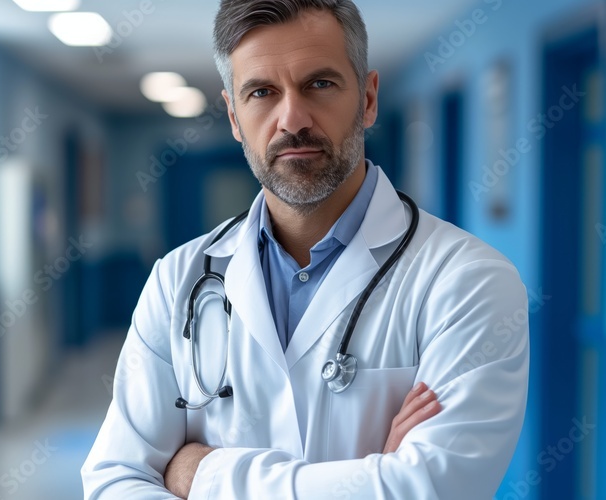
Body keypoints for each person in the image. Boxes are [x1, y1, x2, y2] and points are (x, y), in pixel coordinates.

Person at [82, 0, 529, 498]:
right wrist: (375, 475)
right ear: (234, 116)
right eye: (261, 92)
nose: (292, 119)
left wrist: (199, 473)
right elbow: (114, 481)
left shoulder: (469, 282)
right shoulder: (176, 281)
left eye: (319, 84)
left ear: (368, 99)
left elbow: (432, 488)